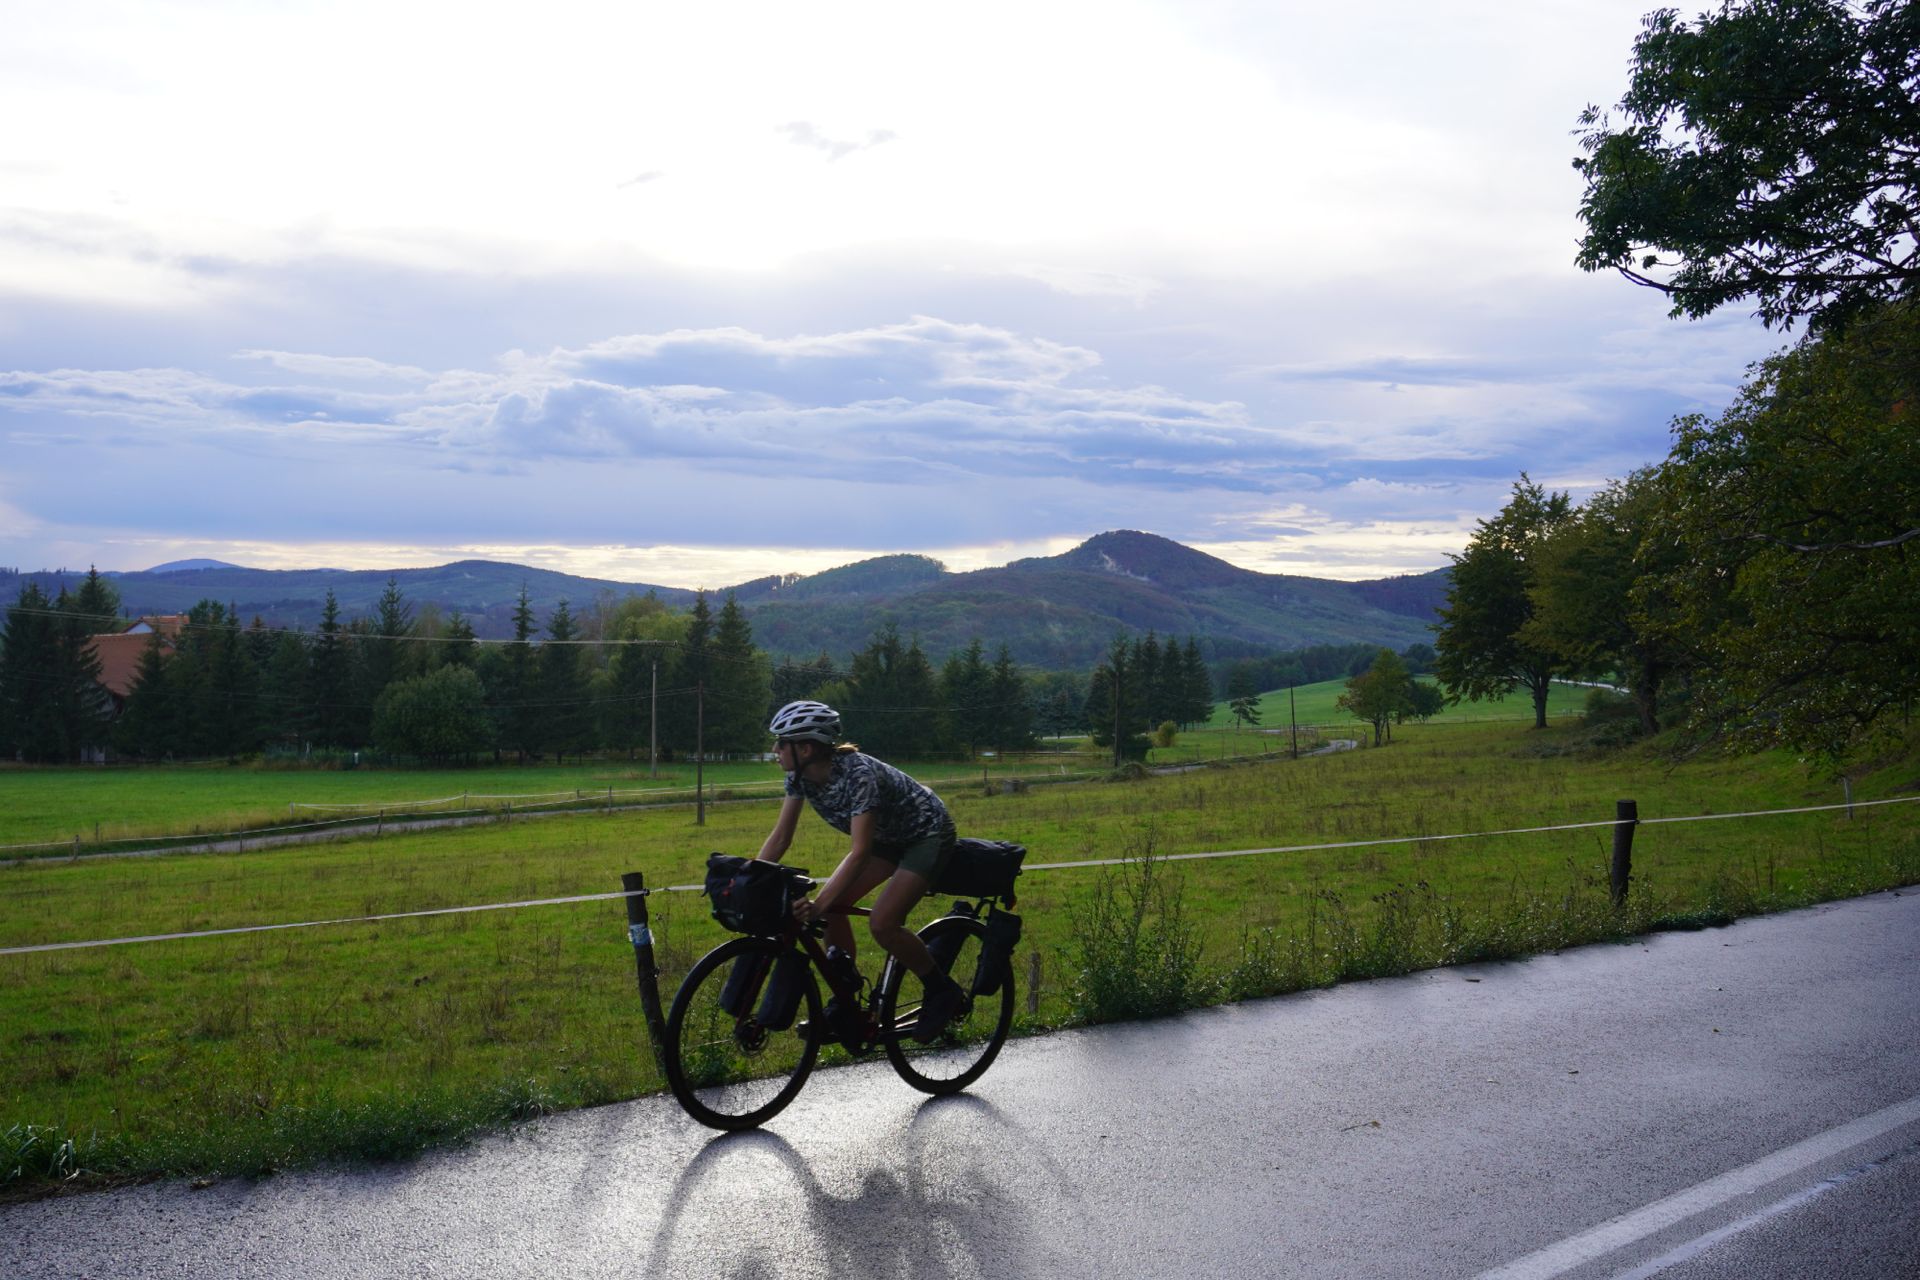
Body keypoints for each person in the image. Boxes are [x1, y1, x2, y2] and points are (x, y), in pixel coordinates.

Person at [755, 699, 967, 1042]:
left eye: (781, 742)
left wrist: (818, 905)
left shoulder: (858, 775)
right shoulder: (798, 778)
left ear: (805, 748)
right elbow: (781, 838)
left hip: (926, 833)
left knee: (882, 923)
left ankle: (942, 991)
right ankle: (845, 1002)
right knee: (834, 908)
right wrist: (750, 876)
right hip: (887, 837)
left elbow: (860, 852)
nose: (775, 749)